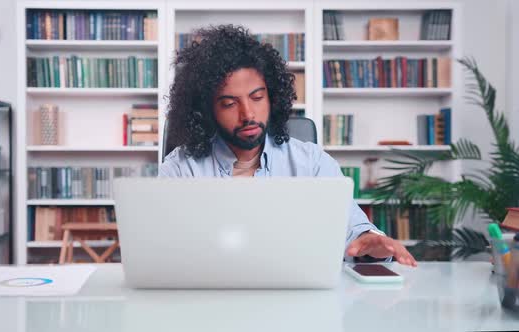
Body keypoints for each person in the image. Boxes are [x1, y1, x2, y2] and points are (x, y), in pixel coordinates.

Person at [160, 25, 417, 267]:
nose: (248, 113)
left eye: (257, 97)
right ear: (207, 110)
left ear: (273, 97)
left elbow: (352, 229)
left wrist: (370, 242)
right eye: (229, 103)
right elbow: (167, 251)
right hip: (209, 299)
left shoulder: (311, 162)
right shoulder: (182, 168)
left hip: (298, 300)